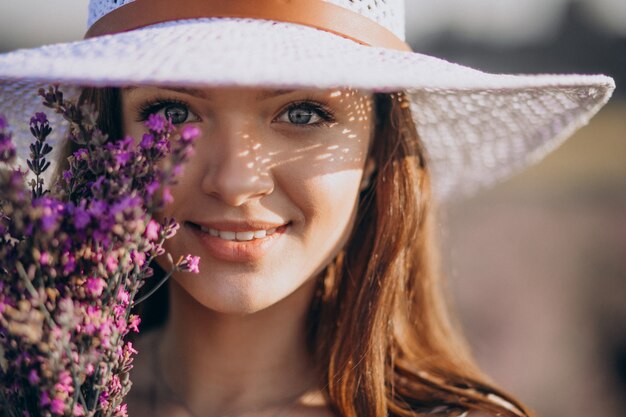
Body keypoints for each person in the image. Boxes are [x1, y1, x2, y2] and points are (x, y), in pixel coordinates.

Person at [0, 1, 615, 416]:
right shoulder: (29, 389)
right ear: (109, 140)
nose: (237, 181)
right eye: (172, 113)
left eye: (301, 114)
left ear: (379, 146)